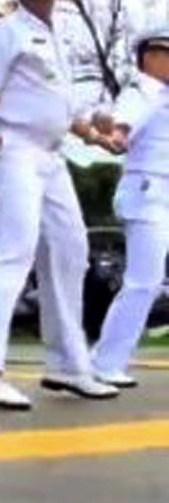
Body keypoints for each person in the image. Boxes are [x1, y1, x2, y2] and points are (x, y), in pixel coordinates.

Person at [0, 0, 120, 409]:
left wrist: (95, 137)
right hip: (12, 150)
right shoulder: (1, 23)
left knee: (72, 250)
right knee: (13, 250)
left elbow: (54, 105)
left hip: (49, 156)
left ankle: (69, 366)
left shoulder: (53, 34)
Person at [89, 24, 169, 388]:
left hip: (160, 191)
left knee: (148, 283)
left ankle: (107, 361)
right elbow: (124, 121)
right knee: (143, 282)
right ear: (150, 57)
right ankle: (104, 363)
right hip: (147, 190)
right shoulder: (143, 89)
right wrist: (117, 134)